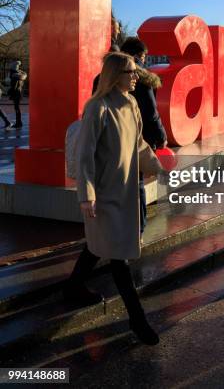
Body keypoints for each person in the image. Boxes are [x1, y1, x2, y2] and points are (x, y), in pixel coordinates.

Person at [64, 52, 162, 345]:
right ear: (115, 74)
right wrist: (87, 195)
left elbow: (139, 144)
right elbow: (85, 157)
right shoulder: (97, 107)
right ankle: (137, 319)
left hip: (126, 191)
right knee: (118, 258)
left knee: (99, 246)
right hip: (104, 195)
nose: (136, 76)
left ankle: (73, 286)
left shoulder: (131, 103)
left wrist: (157, 166)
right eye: (131, 71)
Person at [120, 37, 167, 237]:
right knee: (138, 183)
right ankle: (139, 228)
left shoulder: (104, 76)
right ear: (139, 55)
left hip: (118, 140)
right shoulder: (142, 78)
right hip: (139, 136)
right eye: (144, 56)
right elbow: (150, 112)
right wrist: (161, 135)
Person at [8, 61, 27, 129]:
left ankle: (18, 123)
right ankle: (19, 122)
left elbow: (14, 87)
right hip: (19, 93)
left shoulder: (15, 76)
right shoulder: (20, 75)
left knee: (16, 108)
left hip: (16, 93)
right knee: (17, 108)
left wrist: (9, 92)